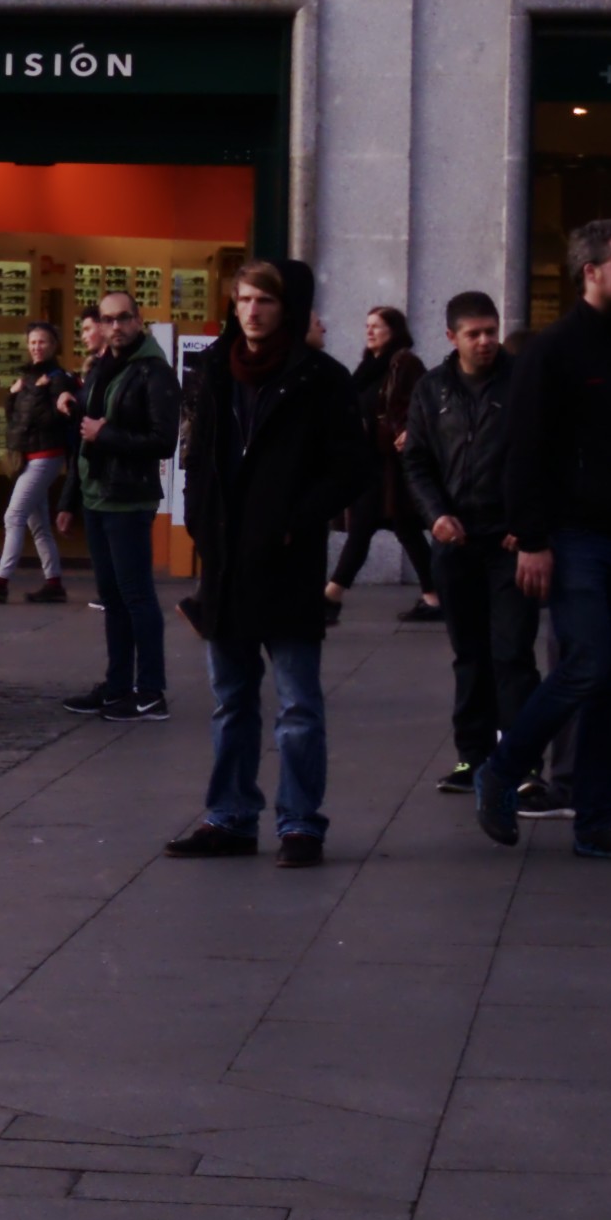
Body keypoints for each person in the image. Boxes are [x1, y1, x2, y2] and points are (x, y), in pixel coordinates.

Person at [476, 223, 611, 862]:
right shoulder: (553, 353)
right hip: (575, 539)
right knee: (587, 665)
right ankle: (503, 767)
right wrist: (532, 539)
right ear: (591, 273)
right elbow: (525, 453)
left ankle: (596, 820)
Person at [165, 259, 367, 868]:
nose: (251, 312)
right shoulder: (212, 373)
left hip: (286, 560)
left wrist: (291, 521)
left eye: (265, 302)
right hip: (225, 563)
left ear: (288, 310)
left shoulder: (321, 378)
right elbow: (194, 457)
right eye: (244, 300)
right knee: (231, 699)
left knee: (298, 703)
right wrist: (202, 522)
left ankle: (301, 822)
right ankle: (229, 815)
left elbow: (350, 470)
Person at [402, 292, 535, 793]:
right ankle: (471, 756)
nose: (485, 341)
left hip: (508, 540)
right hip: (455, 540)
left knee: (512, 651)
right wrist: (435, 515)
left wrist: (529, 525)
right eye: (474, 333)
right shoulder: (432, 390)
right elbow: (415, 460)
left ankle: (521, 759)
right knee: (469, 653)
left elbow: (544, 454)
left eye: (491, 331)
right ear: (451, 337)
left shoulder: (522, 381)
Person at [69, 292, 180, 722]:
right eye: (108, 319)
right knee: (112, 598)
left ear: (139, 321)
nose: (116, 327)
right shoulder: (102, 367)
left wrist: (106, 434)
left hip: (129, 498)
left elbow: (162, 441)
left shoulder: (154, 372)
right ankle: (117, 686)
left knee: (136, 596)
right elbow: (86, 426)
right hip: (97, 493)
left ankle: (150, 691)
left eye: (124, 319)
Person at [338, 304, 424, 617]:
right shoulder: (367, 367)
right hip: (371, 462)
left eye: (377, 326)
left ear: (395, 330)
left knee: (373, 527)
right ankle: (435, 595)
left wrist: (411, 431)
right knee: (401, 529)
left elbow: (421, 404)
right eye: (367, 325)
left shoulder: (404, 363)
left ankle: (331, 596)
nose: (369, 331)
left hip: (392, 465)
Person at [0, 321, 78, 603]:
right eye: (33, 342)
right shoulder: (28, 378)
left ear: (54, 345)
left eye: (43, 342)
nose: (37, 347)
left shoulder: (57, 378)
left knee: (13, 516)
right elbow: (16, 420)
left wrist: (35, 392)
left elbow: (51, 419)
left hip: (45, 457)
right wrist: (14, 395)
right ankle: (54, 583)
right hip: (29, 457)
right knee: (38, 526)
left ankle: (0, 582)